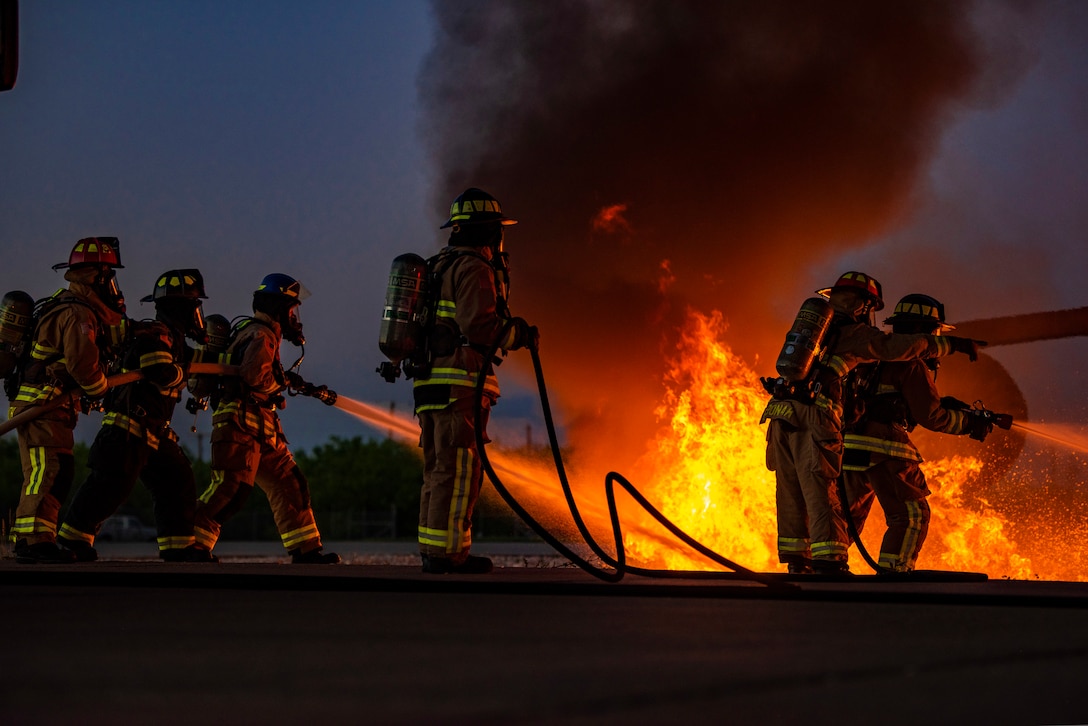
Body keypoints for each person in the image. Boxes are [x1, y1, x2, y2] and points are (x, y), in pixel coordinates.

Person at [761, 272, 983, 575]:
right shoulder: (862, 338)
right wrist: (969, 419)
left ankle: (801, 560)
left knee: (794, 489)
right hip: (845, 429)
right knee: (829, 491)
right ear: (865, 306)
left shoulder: (819, 334)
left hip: (783, 414)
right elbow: (927, 409)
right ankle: (851, 567)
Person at [413, 188, 537, 575]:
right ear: (487, 232)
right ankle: (449, 556)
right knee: (461, 468)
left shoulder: (438, 268)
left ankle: (436, 550)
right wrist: (519, 336)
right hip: (461, 383)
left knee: (438, 470)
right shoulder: (474, 269)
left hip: (430, 384)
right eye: (497, 230)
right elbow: (479, 325)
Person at [56, 269, 216, 562]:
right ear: (181, 307)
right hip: (128, 428)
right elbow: (160, 371)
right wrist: (180, 371)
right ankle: (72, 538)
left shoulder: (175, 340)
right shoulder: (155, 335)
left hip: (154, 432)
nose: (197, 313)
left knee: (177, 481)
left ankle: (177, 545)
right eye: (194, 306)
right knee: (110, 485)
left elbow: (198, 363)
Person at [840, 294, 995, 573]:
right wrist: (971, 424)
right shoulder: (911, 364)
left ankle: (824, 568)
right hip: (886, 450)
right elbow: (932, 417)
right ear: (924, 333)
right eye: (934, 333)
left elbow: (887, 400)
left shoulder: (869, 356)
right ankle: (895, 574)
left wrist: (945, 402)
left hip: (849, 450)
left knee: (845, 518)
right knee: (911, 517)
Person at [191, 273, 339, 564]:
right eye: (291, 309)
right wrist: (280, 385)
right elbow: (255, 376)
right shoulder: (261, 334)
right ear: (278, 307)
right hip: (238, 424)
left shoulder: (258, 331)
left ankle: (306, 549)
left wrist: (286, 383)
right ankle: (191, 544)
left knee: (289, 483)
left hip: (260, 426)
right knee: (229, 488)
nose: (294, 317)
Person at [8, 237, 127, 564]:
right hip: (43, 406)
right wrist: (99, 387)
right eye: (110, 276)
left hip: (45, 406)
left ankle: (30, 538)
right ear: (98, 276)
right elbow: (80, 362)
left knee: (49, 471)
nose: (114, 285)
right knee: (49, 472)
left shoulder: (68, 305)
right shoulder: (76, 312)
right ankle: (34, 542)